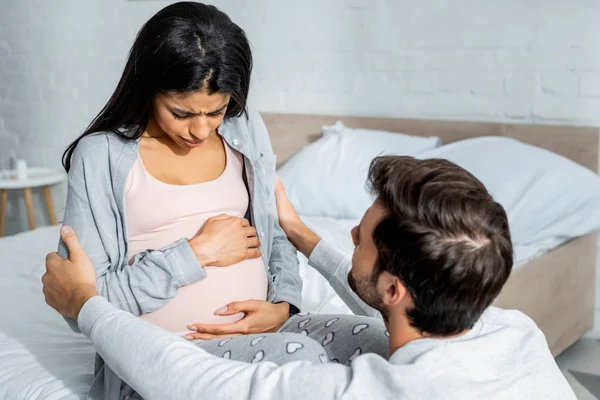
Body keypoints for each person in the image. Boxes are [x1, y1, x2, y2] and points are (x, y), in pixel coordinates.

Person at [58, 2, 387, 398]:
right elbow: (83, 301)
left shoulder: (244, 128)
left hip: (270, 330)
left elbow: (273, 236)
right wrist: (195, 254)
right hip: (167, 355)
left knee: (381, 339)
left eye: (216, 110)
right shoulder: (101, 157)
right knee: (300, 361)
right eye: (181, 113)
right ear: (147, 88)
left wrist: (284, 304)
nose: (200, 129)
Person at [44, 155, 576, 399]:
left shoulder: (383, 390)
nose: (349, 233)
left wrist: (86, 303)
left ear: (393, 287)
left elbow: (197, 384)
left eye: (361, 239)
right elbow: (395, 313)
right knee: (360, 332)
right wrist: (297, 233)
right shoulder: (515, 331)